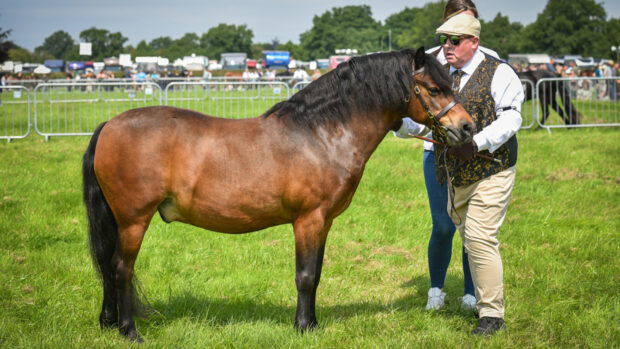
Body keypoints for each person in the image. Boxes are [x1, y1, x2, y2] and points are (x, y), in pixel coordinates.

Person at [398, 0, 494, 315]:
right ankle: (436, 290)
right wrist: (401, 125)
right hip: (436, 156)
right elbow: (419, 111)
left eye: (468, 22)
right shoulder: (429, 63)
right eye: (454, 23)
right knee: (442, 226)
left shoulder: (490, 62)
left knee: (472, 226)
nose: (455, 36)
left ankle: (470, 293)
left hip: (476, 155)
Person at [435, 12, 522, 335]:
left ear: (474, 42)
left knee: (479, 238)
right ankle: (485, 302)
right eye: (444, 40)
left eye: (455, 40)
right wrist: (397, 123)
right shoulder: (441, 75)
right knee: (469, 239)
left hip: (493, 168)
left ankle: (491, 316)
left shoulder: (499, 73)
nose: (447, 46)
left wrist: (477, 143)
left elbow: (512, 118)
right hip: (456, 175)